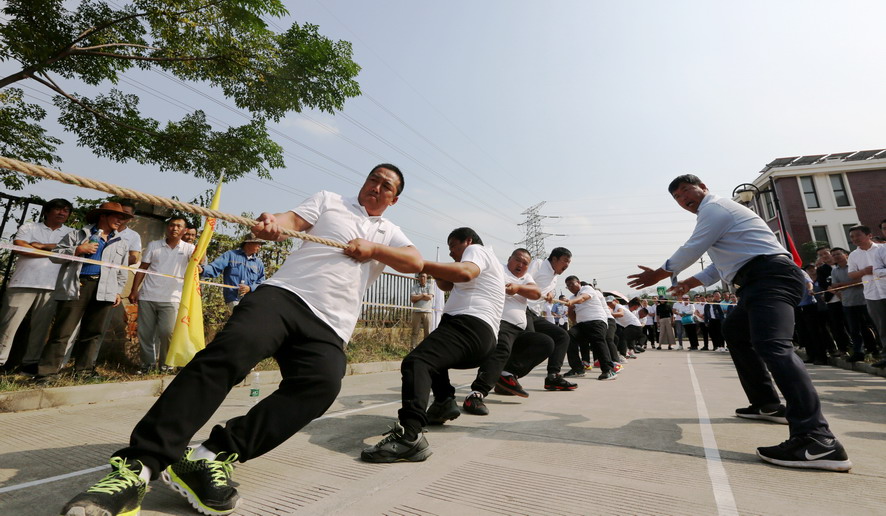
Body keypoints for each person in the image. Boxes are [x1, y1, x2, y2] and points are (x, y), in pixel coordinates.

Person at [61, 164, 422, 516]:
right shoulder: (331, 201)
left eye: (386, 186)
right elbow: (290, 222)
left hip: (331, 324)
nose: (376, 187)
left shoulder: (389, 231)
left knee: (322, 385)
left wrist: (374, 250)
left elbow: (414, 261)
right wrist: (272, 225)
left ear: (394, 199)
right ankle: (140, 466)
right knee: (230, 352)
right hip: (284, 297)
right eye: (373, 179)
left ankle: (210, 456)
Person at [628, 174, 851, 472]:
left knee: (774, 347)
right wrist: (689, 283)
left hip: (769, 277)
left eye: (686, 191)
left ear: (703, 187)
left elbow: (693, 247)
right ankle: (766, 403)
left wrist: (659, 273)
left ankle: (818, 438)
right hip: (756, 280)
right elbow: (720, 267)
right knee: (734, 331)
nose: (684, 199)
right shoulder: (718, 218)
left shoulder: (715, 209)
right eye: (677, 198)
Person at [361, 227, 504, 462]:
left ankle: (410, 436)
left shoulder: (476, 250)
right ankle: (443, 402)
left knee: (417, 362)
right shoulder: (491, 261)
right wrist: (435, 270)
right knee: (432, 356)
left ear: (467, 241)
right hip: (481, 336)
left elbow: (465, 273)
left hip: (469, 326)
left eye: (453, 246)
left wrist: (422, 264)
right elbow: (447, 285)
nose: (451, 253)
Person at [34, 202, 133, 382]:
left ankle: (84, 371)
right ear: (103, 216)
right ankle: (47, 373)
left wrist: (118, 291)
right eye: (117, 217)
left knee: (94, 332)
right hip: (79, 285)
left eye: (123, 218)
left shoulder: (122, 242)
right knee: (62, 331)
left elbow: (122, 270)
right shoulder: (77, 235)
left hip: (105, 289)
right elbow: (56, 256)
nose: (120, 221)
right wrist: (78, 250)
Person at [0, 198, 74, 372]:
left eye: (66, 210)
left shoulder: (70, 233)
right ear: (47, 211)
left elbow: (72, 252)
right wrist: (56, 251)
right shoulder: (29, 227)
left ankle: (30, 363)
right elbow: (20, 248)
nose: (62, 213)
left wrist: (41, 246)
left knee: (41, 329)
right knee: (8, 325)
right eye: (58, 209)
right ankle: (1, 361)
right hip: (22, 282)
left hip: (51, 286)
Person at [128, 216, 195, 374]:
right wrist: (134, 290)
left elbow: (199, 263)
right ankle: (147, 365)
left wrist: (203, 244)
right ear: (167, 227)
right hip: (148, 295)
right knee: (145, 333)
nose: (174, 229)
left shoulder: (189, 249)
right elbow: (143, 268)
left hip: (172, 298)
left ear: (185, 230)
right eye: (171, 225)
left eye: (179, 226)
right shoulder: (154, 245)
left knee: (167, 332)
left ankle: (166, 365)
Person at [563, 275, 617, 380]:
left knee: (597, 342)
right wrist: (570, 308)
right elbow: (572, 315)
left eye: (572, 284)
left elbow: (582, 298)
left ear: (578, 282)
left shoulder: (587, 289)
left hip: (596, 321)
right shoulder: (572, 298)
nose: (570, 287)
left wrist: (571, 302)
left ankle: (608, 370)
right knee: (569, 336)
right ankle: (577, 369)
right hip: (582, 324)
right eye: (568, 286)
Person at [848, 225, 886, 368]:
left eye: (858, 235)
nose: (855, 239)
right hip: (872, 295)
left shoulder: (882, 249)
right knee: (882, 327)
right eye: (852, 237)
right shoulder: (853, 255)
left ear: (869, 235)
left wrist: (877, 271)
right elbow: (851, 274)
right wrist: (863, 271)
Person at [200, 235, 266, 313]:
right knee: (241, 316)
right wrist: (202, 270)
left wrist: (250, 288)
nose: (260, 246)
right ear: (248, 243)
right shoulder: (230, 255)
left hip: (251, 299)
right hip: (234, 298)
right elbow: (215, 267)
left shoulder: (258, 263)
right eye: (258, 244)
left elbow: (261, 282)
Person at [830, 247, 869, 362]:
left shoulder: (855, 266)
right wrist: (847, 285)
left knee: (869, 327)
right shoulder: (834, 271)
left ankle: (874, 349)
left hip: (863, 300)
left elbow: (862, 282)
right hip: (847, 303)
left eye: (838, 254)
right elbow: (834, 286)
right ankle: (858, 352)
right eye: (834, 255)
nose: (836, 256)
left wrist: (842, 285)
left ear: (846, 255)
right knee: (854, 330)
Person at [409, 272, 434, 348]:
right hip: (417, 312)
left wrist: (418, 296)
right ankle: (413, 348)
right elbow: (413, 299)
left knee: (427, 332)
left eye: (424, 277)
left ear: (426, 278)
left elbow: (429, 297)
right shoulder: (414, 287)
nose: (423, 278)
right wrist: (423, 295)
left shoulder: (430, 286)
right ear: (419, 278)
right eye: (421, 276)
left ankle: (426, 348)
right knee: (415, 331)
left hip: (427, 312)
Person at [116, 200, 143, 265]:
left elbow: (134, 259)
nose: (122, 215)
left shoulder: (134, 235)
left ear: (132, 216)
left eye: (126, 213)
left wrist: (113, 264)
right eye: (120, 212)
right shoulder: (104, 230)